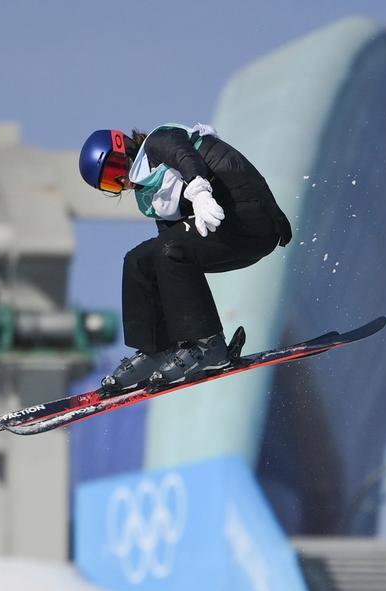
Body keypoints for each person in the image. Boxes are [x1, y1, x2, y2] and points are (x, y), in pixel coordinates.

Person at [78, 124, 292, 391]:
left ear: (123, 147)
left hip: (252, 216)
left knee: (169, 248)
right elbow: (167, 259)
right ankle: (156, 350)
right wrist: (177, 335)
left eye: (113, 172)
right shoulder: (151, 197)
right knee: (139, 261)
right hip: (230, 236)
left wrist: (200, 192)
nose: (122, 182)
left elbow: (185, 156)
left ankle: (210, 345)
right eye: (110, 184)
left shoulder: (159, 142)